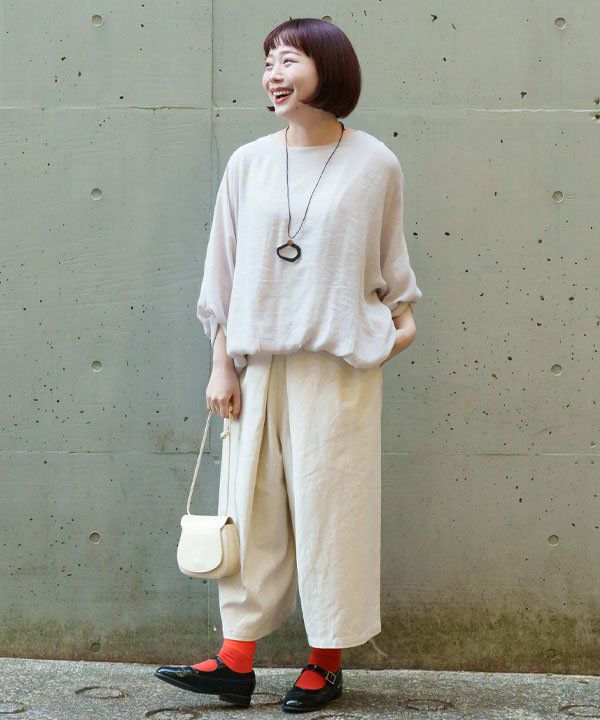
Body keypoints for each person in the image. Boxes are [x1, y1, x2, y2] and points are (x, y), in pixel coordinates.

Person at [155, 16, 422, 713]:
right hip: (258, 365)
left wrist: (397, 331)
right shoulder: (248, 162)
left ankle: (326, 662)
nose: (273, 74)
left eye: (289, 60)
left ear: (328, 67)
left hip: (336, 369)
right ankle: (235, 662)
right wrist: (222, 364)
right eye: (269, 61)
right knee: (250, 511)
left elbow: (392, 268)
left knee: (332, 513)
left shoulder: (375, 164)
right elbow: (223, 272)